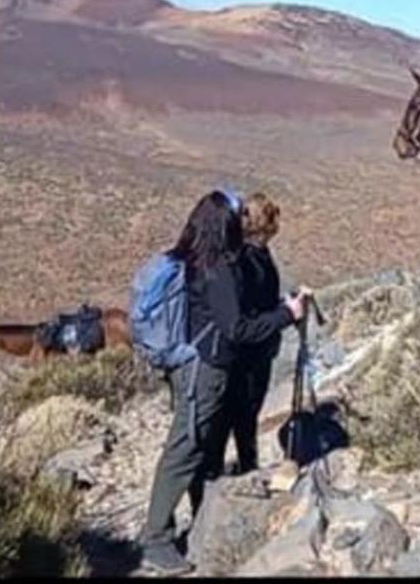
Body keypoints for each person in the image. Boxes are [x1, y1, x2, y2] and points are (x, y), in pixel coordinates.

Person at [140, 189, 310, 576]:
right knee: (185, 449)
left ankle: (199, 522)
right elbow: (235, 328)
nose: (241, 222)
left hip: (205, 366)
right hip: (204, 369)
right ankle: (155, 539)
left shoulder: (208, 259)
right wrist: (286, 315)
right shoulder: (216, 268)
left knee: (197, 446)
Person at [205, 191, 286, 478]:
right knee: (240, 415)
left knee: (237, 416)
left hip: (249, 351)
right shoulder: (251, 260)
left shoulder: (249, 257)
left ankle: (234, 470)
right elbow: (252, 313)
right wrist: (285, 315)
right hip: (249, 353)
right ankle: (239, 471)